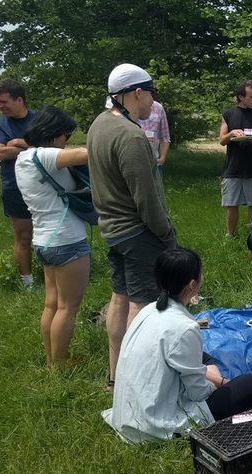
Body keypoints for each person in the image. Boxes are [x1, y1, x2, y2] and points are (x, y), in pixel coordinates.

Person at [103, 248, 252, 443]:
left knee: (202, 357)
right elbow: (198, 393)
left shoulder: (148, 310)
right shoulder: (184, 328)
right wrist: (222, 386)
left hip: (127, 416)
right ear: (192, 285)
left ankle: (215, 379)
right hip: (155, 427)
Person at [88, 63, 178, 388]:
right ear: (137, 92)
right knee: (142, 306)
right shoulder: (130, 135)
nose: (153, 104)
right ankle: (138, 387)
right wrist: (168, 236)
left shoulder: (98, 125)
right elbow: (147, 200)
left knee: (119, 299)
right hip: (138, 233)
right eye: (150, 96)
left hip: (111, 230)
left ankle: (115, 376)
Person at [14, 106, 90, 366]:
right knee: (67, 308)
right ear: (54, 133)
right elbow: (87, 154)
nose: (66, 141)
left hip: (43, 240)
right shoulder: (45, 155)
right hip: (67, 239)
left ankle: (51, 359)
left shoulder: (23, 158)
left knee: (52, 305)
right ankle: (59, 364)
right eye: (65, 135)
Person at [0, 78, 37, 290]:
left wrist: (16, 143)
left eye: (4, 102)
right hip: (14, 187)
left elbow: (56, 145)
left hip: (45, 185)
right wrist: (33, 147)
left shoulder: (39, 119)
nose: (0, 106)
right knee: (24, 236)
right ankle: (28, 282)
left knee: (49, 232)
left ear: (19, 100)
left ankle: (54, 274)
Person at [218, 80, 252, 239]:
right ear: (240, 97)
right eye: (251, 97)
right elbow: (222, 140)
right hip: (233, 167)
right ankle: (230, 235)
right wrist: (232, 134)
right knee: (231, 204)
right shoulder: (228, 114)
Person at [136, 100, 170, 175]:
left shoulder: (158, 107)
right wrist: (140, 137)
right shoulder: (128, 107)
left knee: (156, 186)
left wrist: (162, 158)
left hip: (154, 164)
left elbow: (165, 137)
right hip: (134, 163)